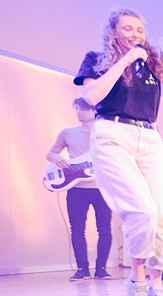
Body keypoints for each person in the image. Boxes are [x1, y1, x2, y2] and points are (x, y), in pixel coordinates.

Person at [75, 0, 163, 296]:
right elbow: (92, 97)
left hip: (149, 137)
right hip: (112, 135)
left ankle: (156, 282)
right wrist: (124, 62)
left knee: (159, 213)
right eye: (127, 28)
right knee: (140, 210)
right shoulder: (98, 59)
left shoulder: (154, 62)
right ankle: (136, 279)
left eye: (139, 29)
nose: (135, 34)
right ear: (114, 32)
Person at [46, 98, 113, 281]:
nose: (79, 112)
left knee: (105, 229)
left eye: (83, 109)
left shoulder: (106, 134)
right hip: (76, 188)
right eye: (77, 109)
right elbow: (50, 153)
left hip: (101, 188)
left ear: (95, 111)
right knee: (76, 229)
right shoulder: (67, 133)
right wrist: (56, 159)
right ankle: (82, 269)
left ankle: (101, 269)